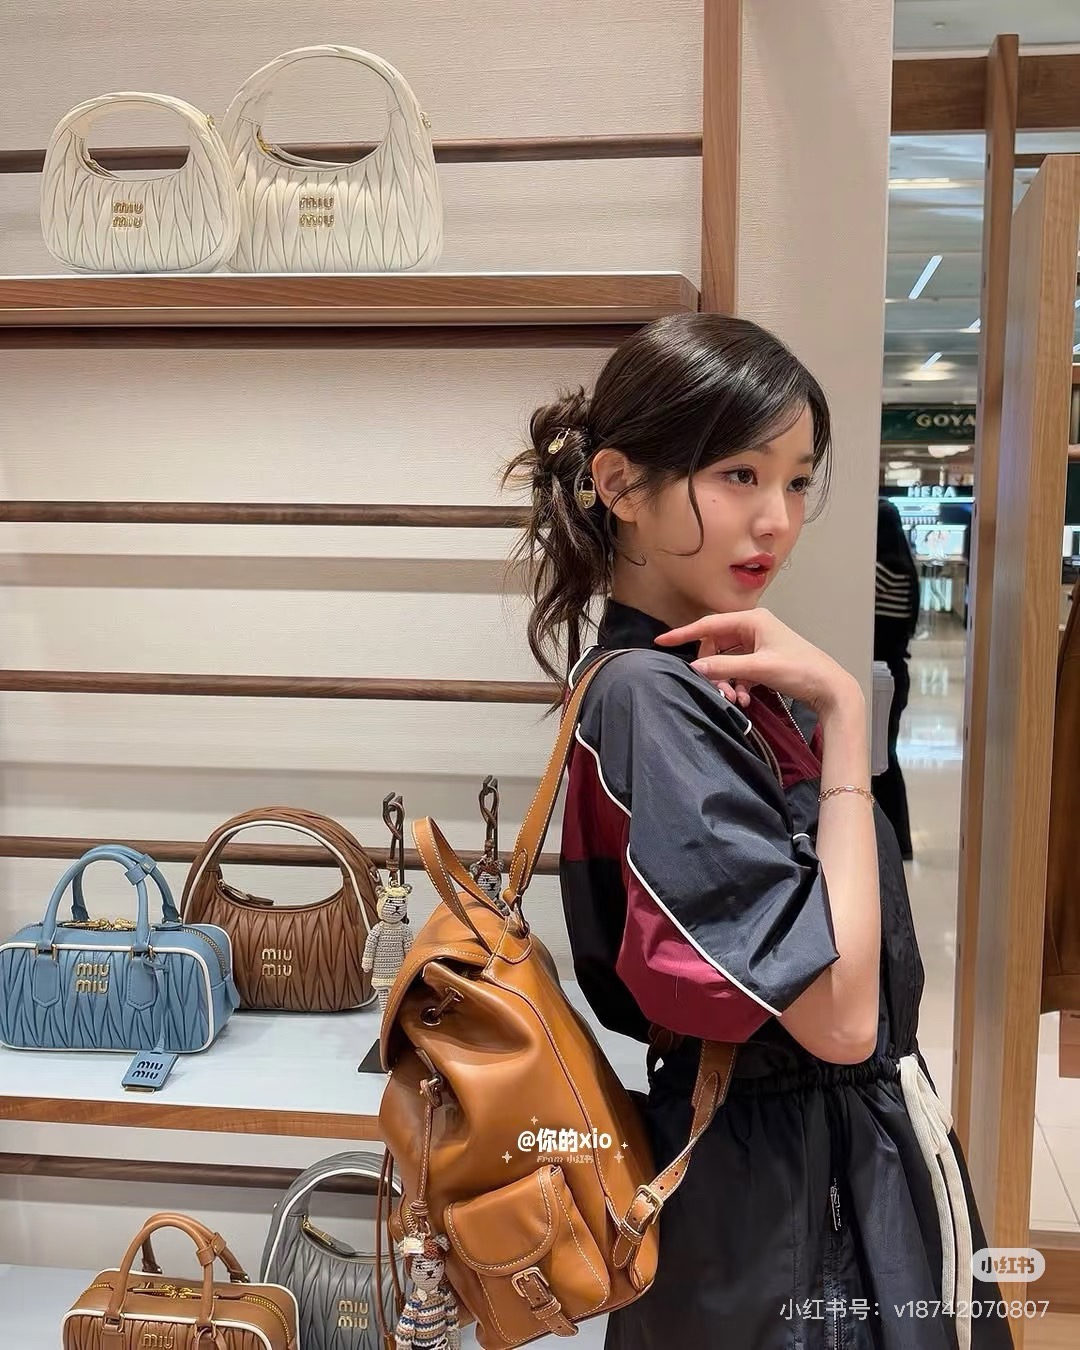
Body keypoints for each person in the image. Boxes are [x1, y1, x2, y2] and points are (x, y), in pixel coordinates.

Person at [504, 313, 1010, 1350]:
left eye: (797, 480)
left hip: (806, 1169)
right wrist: (847, 717)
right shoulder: (651, 698)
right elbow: (840, 1019)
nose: (776, 519)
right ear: (619, 484)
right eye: (739, 474)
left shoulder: (708, 680)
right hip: (783, 1196)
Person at [872, 497, 920, 859]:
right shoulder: (903, 569)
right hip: (894, 672)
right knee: (885, 757)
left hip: (883, 674)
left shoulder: (882, 572)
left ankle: (896, 841)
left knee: (882, 761)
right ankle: (897, 840)